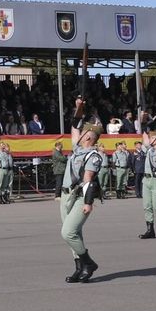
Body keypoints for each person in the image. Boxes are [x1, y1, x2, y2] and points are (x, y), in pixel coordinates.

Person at [60, 99, 105, 283]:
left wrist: (88, 203)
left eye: (82, 131)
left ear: (88, 136)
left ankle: (88, 262)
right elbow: (74, 123)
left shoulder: (93, 156)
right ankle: (79, 268)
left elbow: (87, 180)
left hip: (80, 197)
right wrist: (79, 106)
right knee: (74, 234)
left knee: (67, 232)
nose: (77, 133)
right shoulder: (77, 148)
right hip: (66, 195)